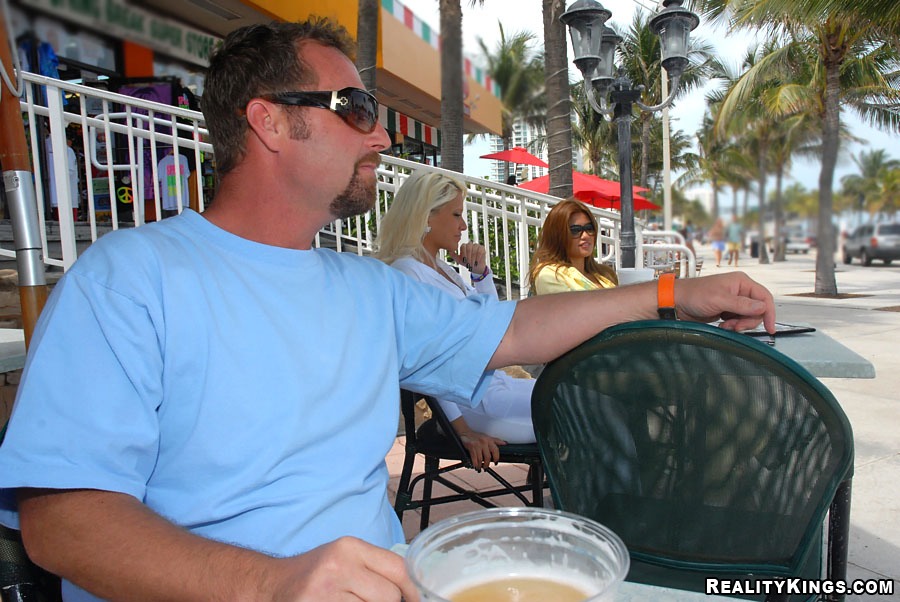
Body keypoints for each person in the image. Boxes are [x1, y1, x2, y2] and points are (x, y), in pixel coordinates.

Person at [0, 18, 775, 602]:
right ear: (269, 121)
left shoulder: (367, 289)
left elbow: (515, 329)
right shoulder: (129, 281)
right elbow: (63, 523)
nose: (380, 134)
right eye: (356, 108)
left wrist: (674, 295)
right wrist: (273, 583)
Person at [375, 171, 536, 469]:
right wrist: (461, 431)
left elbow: (493, 322)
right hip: (474, 405)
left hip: (493, 389)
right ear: (426, 215)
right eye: (456, 215)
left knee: (581, 395)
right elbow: (429, 364)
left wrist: (480, 274)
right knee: (580, 410)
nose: (463, 226)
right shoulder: (408, 273)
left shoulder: (441, 268)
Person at [528, 198, 618, 295]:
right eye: (575, 230)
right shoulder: (549, 275)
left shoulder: (605, 273)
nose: (585, 236)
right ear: (557, 236)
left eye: (589, 228)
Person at [45, 132, 80, 222]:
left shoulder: (66, 150)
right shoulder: (67, 150)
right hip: (63, 193)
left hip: (60, 192)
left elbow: (70, 171)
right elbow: (70, 171)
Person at [156, 147, 191, 218]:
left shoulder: (162, 162)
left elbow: (159, 178)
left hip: (169, 201)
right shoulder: (183, 159)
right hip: (182, 199)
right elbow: (187, 174)